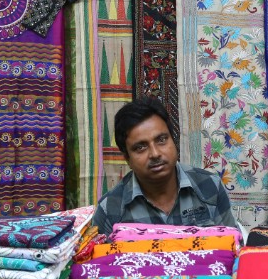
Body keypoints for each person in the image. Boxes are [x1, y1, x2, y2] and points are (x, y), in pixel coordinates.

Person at [91, 96, 239, 235]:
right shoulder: (110, 209)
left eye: (161, 140)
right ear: (127, 158)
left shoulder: (209, 186)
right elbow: (103, 262)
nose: (155, 154)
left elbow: (234, 250)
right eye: (140, 147)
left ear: (173, 140)